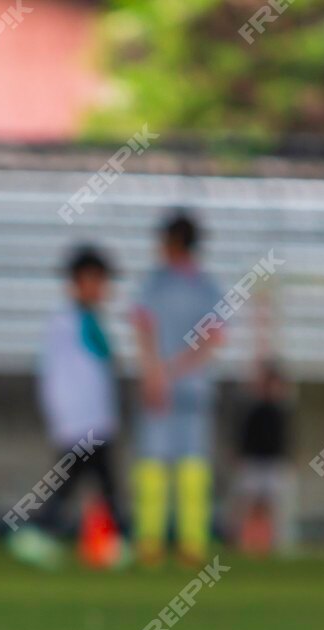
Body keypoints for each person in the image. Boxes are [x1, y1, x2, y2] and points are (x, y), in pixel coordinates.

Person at [11, 245, 127, 570]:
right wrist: (62, 417)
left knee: (94, 483)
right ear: (78, 282)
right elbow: (54, 376)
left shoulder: (91, 321)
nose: (101, 289)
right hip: (78, 421)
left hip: (96, 419)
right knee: (79, 482)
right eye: (95, 281)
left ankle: (105, 540)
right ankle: (42, 533)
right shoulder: (64, 323)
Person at [131, 210, 226, 567]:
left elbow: (143, 328)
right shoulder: (206, 286)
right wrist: (174, 370)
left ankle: (152, 543)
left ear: (173, 243)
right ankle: (189, 545)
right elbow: (213, 339)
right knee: (186, 466)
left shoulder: (156, 284)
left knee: (164, 466)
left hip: (167, 386)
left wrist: (157, 372)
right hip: (189, 385)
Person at [234, 360, 292, 555]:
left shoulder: (281, 410)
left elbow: (286, 438)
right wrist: (241, 457)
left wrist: (288, 458)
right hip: (253, 462)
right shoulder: (253, 408)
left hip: (274, 463)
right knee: (248, 503)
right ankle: (244, 542)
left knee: (275, 505)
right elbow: (243, 436)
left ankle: (277, 544)